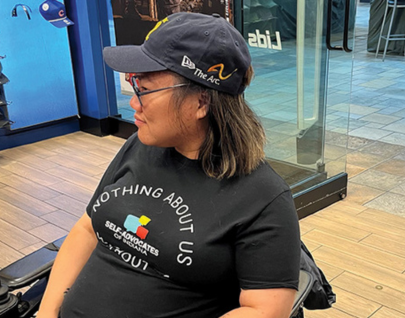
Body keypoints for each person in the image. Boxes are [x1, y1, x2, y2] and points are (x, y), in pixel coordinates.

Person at [36, 12, 301, 318]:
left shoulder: (263, 198)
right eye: (135, 84)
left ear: (201, 103)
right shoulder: (140, 146)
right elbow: (87, 229)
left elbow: (265, 310)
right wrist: (47, 312)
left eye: (145, 89)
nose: (133, 102)